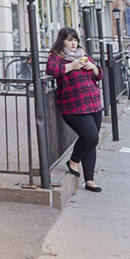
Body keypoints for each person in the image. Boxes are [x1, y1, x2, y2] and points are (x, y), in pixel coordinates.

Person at [46, 26, 104, 193]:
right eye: (69, 40)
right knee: (91, 137)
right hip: (73, 106)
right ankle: (73, 160)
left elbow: (99, 75)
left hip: (93, 103)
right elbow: (51, 70)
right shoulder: (57, 57)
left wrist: (93, 67)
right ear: (62, 41)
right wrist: (72, 66)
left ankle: (90, 179)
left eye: (75, 40)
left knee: (91, 142)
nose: (73, 43)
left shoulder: (82, 55)